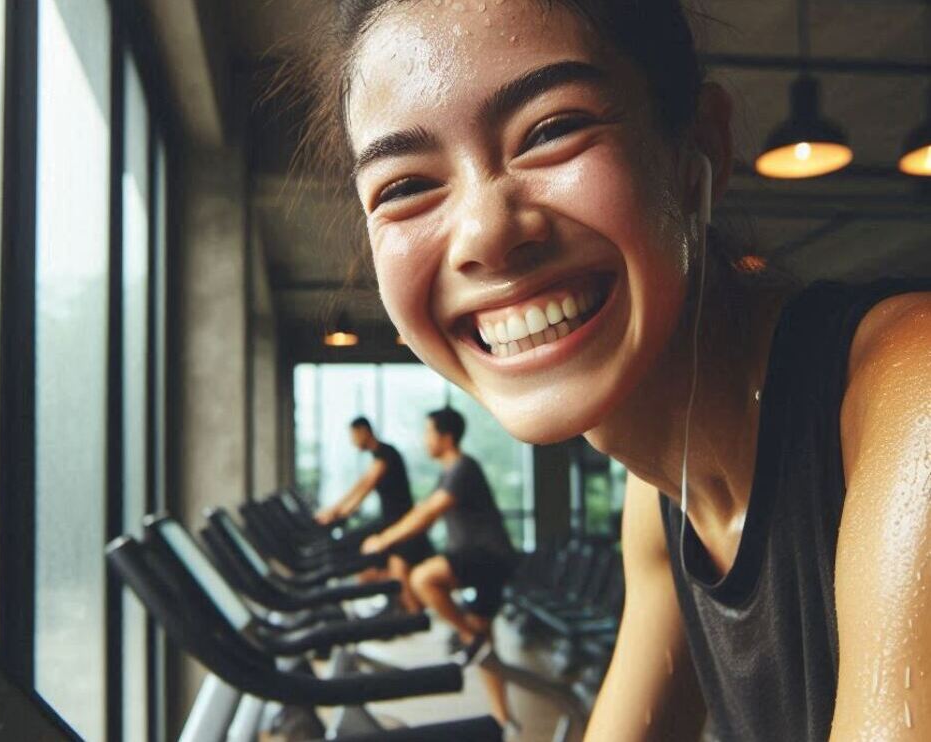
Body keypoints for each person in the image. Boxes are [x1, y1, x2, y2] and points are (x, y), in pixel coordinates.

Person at [288, 1, 931, 739]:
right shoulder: (662, 491)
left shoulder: (912, 395)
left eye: (553, 129)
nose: (486, 234)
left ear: (701, 146)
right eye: (403, 187)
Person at [361, 408, 518, 727]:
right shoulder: (449, 471)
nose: (424, 440)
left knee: (423, 578)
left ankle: (465, 634)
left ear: (446, 438)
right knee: (485, 645)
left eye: (428, 433)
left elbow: (428, 514)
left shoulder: (463, 468)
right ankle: (504, 718)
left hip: (487, 557)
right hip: (482, 559)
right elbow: (422, 508)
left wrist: (383, 540)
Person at [314, 417, 434, 611]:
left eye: (353, 435)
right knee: (357, 555)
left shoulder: (385, 454)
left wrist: (336, 512)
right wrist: (336, 511)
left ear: (364, 431)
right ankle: (388, 604)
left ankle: (391, 606)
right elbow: (360, 487)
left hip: (397, 521)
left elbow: (364, 486)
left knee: (346, 546)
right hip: (391, 519)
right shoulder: (379, 455)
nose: (353, 441)